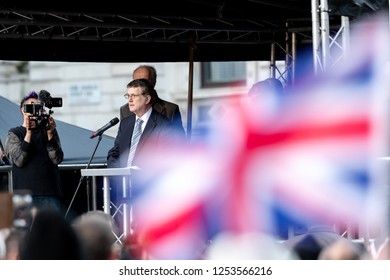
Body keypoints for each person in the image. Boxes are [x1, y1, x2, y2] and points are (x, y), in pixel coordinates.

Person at [4, 91, 64, 213]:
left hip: (50, 192)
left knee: (52, 231)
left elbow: (57, 158)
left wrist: (50, 134)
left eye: (38, 106)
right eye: (31, 106)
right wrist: (29, 133)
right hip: (24, 194)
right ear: (22, 110)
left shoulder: (48, 130)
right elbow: (18, 160)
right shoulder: (14, 133)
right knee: (25, 231)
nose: (35, 109)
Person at [119, 65, 184, 135]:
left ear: (154, 82)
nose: (140, 85)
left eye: (144, 81)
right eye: (136, 82)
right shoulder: (125, 110)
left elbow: (180, 141)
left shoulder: (170, 110)